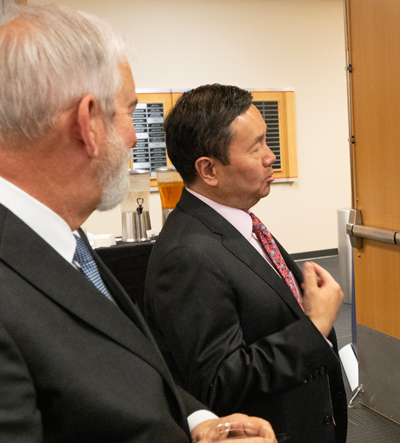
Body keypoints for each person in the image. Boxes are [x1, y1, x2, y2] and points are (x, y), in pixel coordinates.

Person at [0, 4, 274, 443]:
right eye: (131, 112)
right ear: (88, 122)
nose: (136, 135)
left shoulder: (57, 232)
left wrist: (195, 422)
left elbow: (116, 373)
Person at [144, 84, 348, 443]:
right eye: (256, 148)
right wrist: (313, 327)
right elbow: (220, 381)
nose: (271, 157)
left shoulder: (240, 223)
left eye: (267, 142)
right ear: (209, 170)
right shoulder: (187, 256)